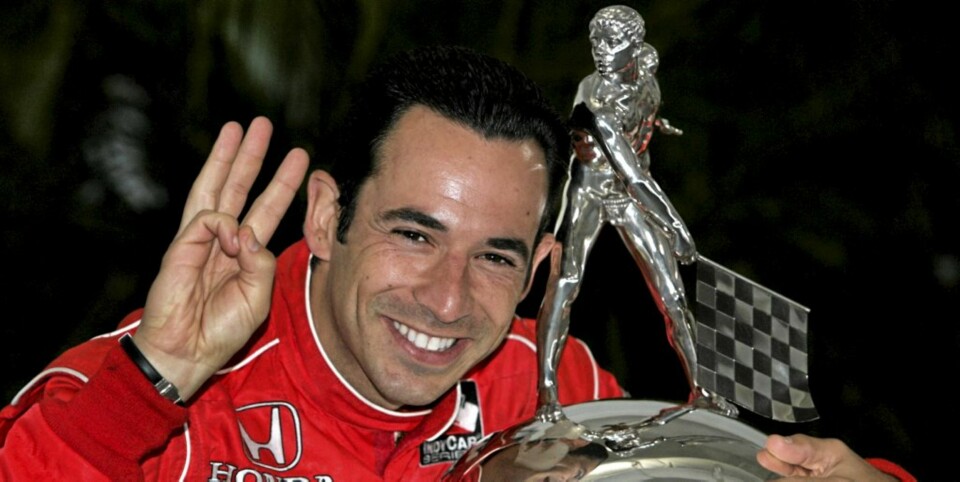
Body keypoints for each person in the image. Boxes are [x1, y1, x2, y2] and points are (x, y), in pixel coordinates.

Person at [0, 45, 912, 482]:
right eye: (414, 233)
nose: (446, 300)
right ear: (327, 216)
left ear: (540, 271)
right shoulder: (159, 380)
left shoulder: (549, 384)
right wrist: (154, 380)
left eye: (495, 258)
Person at [536, 4, 733, 421]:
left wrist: (655, 126)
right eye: (596, 43)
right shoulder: (596, 102)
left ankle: (701, 390)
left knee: (673, 294)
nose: (601, 51)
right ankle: (548, 394)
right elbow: (635, 180)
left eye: (611, 43)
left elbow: (641, 122)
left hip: (630, 190)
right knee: (565, 283)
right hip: (593, 190)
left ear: (635, 46)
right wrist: (676, 227)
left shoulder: (646, 72)